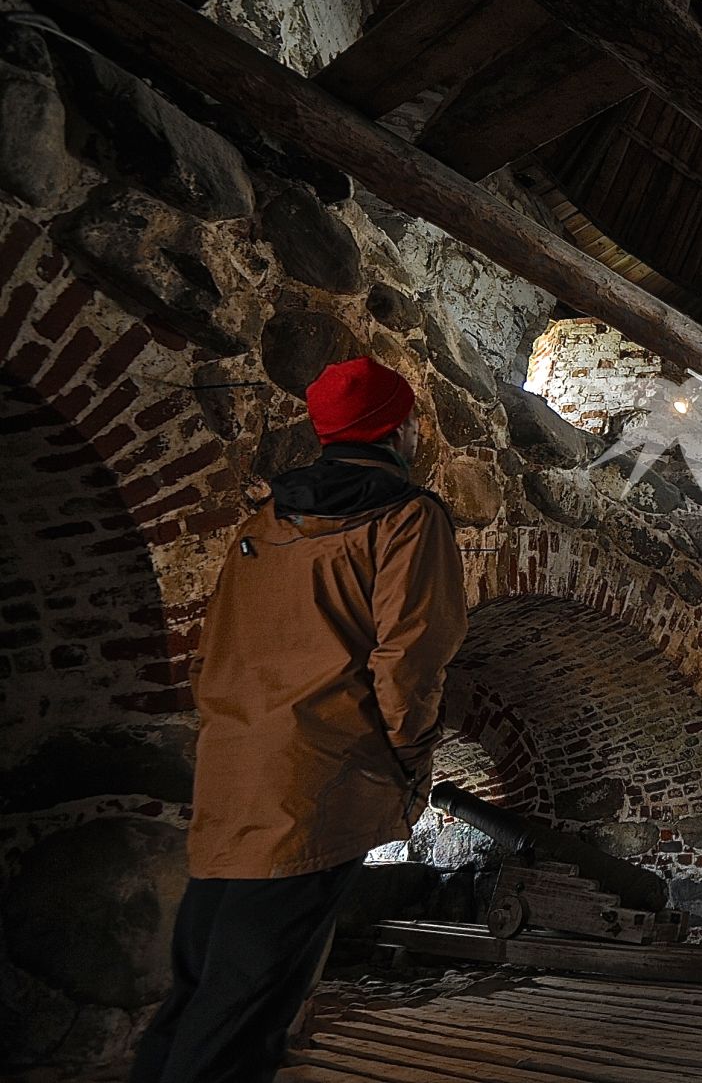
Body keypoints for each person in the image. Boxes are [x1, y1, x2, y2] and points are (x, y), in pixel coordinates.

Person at [133, 357, 468, 1083]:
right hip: (317, 788)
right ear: (403, 427)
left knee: (197, 986)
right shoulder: (408, 519)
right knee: (244, 1011)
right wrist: (411, 760)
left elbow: (214, 651)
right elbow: (409, 663)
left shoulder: (263, 524)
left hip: (233, 778)